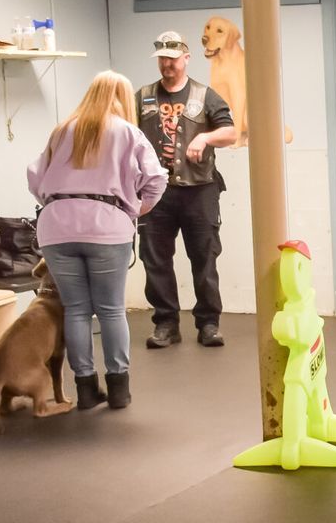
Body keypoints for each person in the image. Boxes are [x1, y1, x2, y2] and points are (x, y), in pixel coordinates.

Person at [28, 71, 167, 411]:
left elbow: (34, 177)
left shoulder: (61, 131)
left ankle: (86, 390)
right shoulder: (126, 131)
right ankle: (119, 390)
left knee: (76, 310)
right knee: (110, 309)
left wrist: (60, 202)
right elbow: (157, 179)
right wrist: (134, 209)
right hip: (107, 226)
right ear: (121, 96)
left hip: (56, 227)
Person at [136, 31, 236, 350]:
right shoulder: (143, 96)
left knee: (204, 257)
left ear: (186, 58)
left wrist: (205, 138)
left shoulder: (204, 95)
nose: (167, 64)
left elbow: (231, 132)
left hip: (199, 190)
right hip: (156, 192)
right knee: (155, 259)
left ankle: (208, 323)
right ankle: (166, 323)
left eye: (172, 58)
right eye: (162, 58)